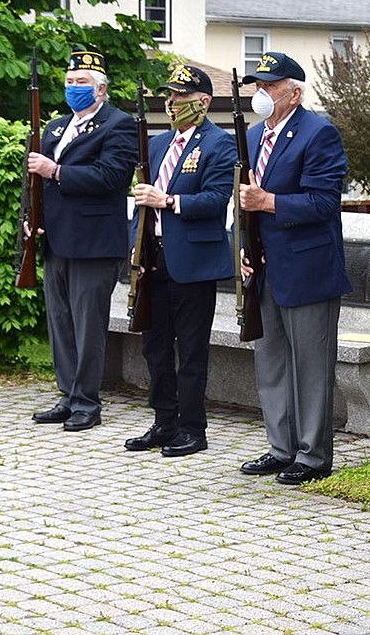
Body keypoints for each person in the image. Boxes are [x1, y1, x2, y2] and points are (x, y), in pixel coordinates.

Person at [236, 52, 351, 485]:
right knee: (272, 364)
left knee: (310, 367)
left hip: (307, 269)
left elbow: (324, 203)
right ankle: (281, 448)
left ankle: (313, 456)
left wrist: (268, 202)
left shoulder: (317, 133)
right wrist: (246, 248)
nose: (261, 94)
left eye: (270, 86)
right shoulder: (251, 135)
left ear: (295, 92)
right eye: (257, 86)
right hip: (265, 268)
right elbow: (242, 202)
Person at [123, 65, 237, 457]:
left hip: (193, 262)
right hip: (154, 260)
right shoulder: (156, 145)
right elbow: (140, 205)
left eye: (180, 97)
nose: (171, 104)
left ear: (203, 102)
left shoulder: (219, 144)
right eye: (168, 97)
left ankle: (192, 428)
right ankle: (164, 421)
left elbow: (216, 199)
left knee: (190, 350)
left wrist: (169, 201)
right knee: (154, 346)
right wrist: (136, 249)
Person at [26, 47, 136, 432]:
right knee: (60, 323)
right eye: (70, 82)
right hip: (56, 239)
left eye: (82, 83)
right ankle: (67, 394)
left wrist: (56, 171)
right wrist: (32, 220)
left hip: (93, 242)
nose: (74, 88)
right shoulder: (55, 127)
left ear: (101, 89)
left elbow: (111, 177)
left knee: (88, 324)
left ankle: (87, 402)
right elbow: (35, 186)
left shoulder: (118, 124)